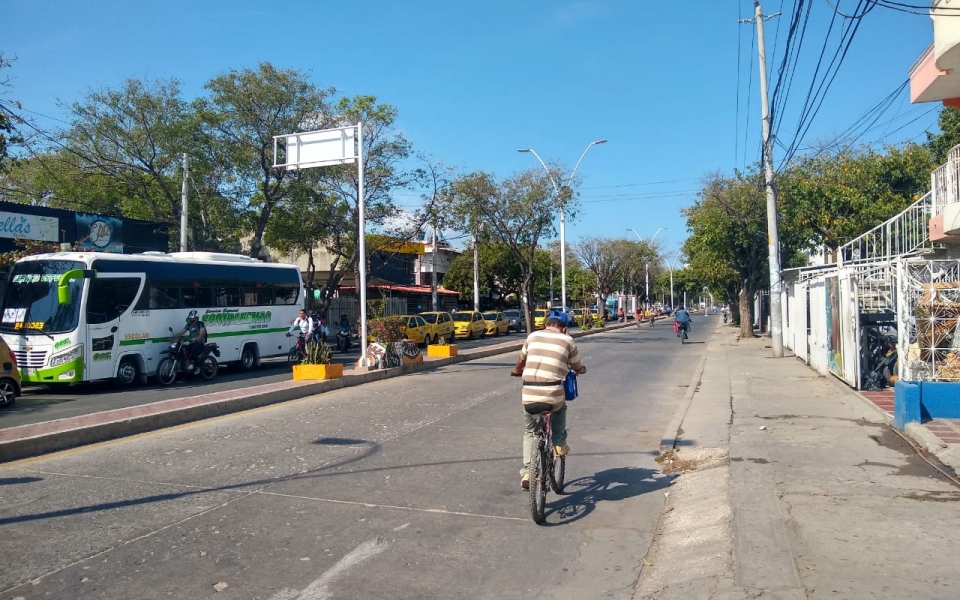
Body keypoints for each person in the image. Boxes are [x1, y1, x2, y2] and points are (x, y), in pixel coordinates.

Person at [511, 308, 586, 490]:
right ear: (564, 328)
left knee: (530, 432)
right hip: (553, 393)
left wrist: (517, 371)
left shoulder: (532, 337)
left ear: (546, 325)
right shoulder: (568, 340)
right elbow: (577, 365)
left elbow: (521, 361)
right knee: (560, 408)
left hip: (529, 393)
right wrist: (580, 370)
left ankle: (528, 472)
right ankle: (559, 444)